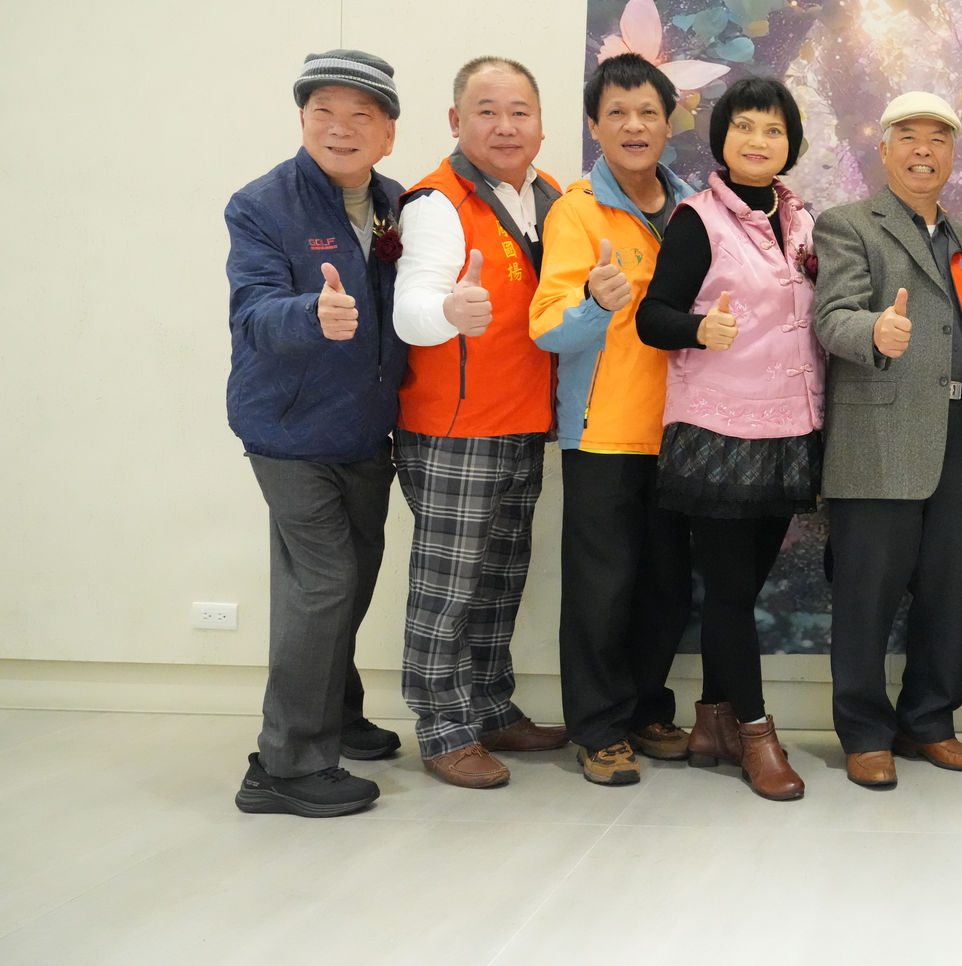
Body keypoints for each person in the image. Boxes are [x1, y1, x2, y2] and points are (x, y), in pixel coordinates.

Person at [227, 50, 406, 817]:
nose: (341, 127)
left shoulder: (397, 202)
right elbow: (252, 312)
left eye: (361, 114)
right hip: (289, 429)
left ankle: (332, 710)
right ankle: (286, 765)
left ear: (388, 133)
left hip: (366, 429)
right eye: (324, 111)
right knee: (324, 582)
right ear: (302, 119)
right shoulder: (262, 204)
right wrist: (312, 313)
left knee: (351, 579)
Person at [635, 76, 820, 802]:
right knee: (732, 593)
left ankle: (713, 719)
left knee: (743, 587)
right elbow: (652, 316)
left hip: (789, 427)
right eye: (744, 126)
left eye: (772, 129)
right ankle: (756, 734)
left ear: (790, 143)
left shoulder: (802, 220)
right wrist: (697, 328)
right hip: (718, 432)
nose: (757, 140)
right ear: (722, 139)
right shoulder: (697, 220)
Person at [813, 92, 962, 788]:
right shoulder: (847, 225)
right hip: (880, 436)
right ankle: (864, 733)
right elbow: (831, 316)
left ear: (952, 153)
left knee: (945, 589)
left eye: (939, 139)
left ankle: (930, 721)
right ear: (885, 149)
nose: (924, 150)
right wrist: (874, 331)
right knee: (866, 591)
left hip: (960, 437)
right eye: (910, 137)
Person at [390, 57, 568, 789]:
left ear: (540, 123)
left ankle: (490, 708)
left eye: (519, 111)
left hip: (523, 420)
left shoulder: (550, 195)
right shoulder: (437, 202)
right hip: (454, 428)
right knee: (448, 588)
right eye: (486, 111)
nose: (505, 126)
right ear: (455, 121)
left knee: (499, 581)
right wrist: (447, 311)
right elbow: (411, 307)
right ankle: (442, 729)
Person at [532, 54, 700, 786]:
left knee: (666, 585)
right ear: (594, 126)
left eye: (648, 112)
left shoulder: (696, 208)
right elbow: (547, 328)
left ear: (670, 121)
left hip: (685, 428)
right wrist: (596, 303)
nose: (634, 126)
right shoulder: (576, 211)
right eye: (617, 113)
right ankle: (598, 728)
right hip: (604, 429)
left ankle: (646, 709)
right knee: (602, 588)